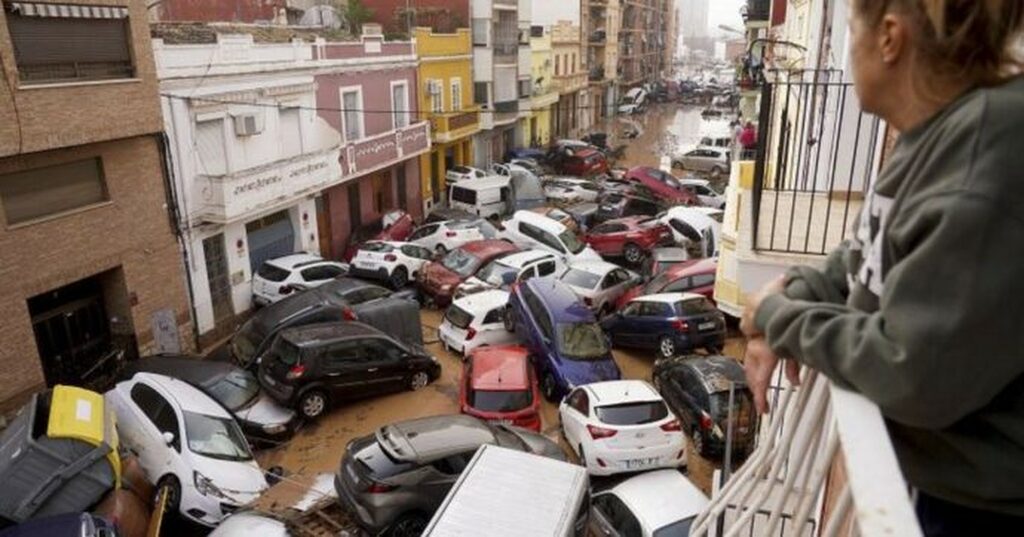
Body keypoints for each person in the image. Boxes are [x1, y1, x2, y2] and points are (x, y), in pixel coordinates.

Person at [739, 1, 1023, 535]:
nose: (848, 51)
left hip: (979, 512)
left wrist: (776, 315)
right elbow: (864, 252)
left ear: (889, 38)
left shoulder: (987, 149)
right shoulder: (937, 132)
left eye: (851, 31)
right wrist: (800, 289)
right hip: (941, 487)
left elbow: (910, 369)